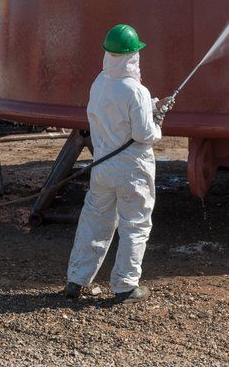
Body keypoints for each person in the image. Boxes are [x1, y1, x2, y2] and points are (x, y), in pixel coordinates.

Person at [65, 24, 174, 304]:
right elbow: (143, 134)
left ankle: (76, 280)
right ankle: (125, 286)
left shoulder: (99, 82)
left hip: (102, 166)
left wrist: (152, 105)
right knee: (135, 224)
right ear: (133, 55)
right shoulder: (135, 90)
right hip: (131, 170)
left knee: (94, 222)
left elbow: (116, 109)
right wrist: (158, 122)